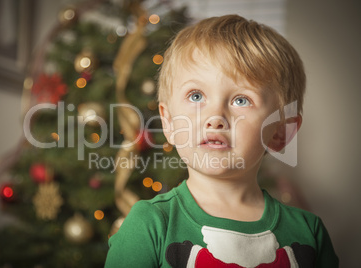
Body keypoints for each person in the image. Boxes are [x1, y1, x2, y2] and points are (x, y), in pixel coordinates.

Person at [105, 14, 338, 267]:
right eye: (196, 96)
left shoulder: (309, 233)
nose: (215, 117)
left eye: (241, 100)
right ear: (169, 123)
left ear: (281, 132)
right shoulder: (150, 224)